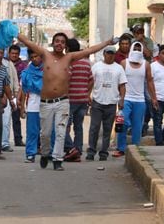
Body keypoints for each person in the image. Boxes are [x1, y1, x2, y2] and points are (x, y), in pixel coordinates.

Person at [18, 32, 115, 171]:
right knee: (45, 133)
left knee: (60, 131)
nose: (59, 44)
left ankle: (58, 159)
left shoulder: (69, 58)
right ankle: (45, 153)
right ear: (53, 43)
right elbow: (28, 42)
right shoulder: (45, 55)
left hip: (63, 101)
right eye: (57, 41)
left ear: (65, 45)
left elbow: (89, 50)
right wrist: (13, 31)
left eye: (62, 42)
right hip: (46, 102)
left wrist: (107, 42)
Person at [113, 42, 158, 157]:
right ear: (131, 49)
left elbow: (149, 82)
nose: (137, 50)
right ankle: (121, 148)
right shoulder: (124, 63)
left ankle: (136, 149)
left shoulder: (146, 65)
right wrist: (119, 97)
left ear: (142, 50)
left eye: (139, 48)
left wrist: (154, 98)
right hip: (126, 99)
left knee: (137, 126)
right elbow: (118, 82)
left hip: (140, 100)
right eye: (135, 48)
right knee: (122, 123)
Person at [86, 46, 127, 161]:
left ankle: (103, 153)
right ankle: (91, 151)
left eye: (112, 53)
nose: (110, 55)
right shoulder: (96, 66)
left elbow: (122, 85)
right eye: (108, 53)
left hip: (111, 102)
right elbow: (90, 82)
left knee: (107, 129)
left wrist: (122, 99)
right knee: (94, 128)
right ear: (104, 54)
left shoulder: (119, 68)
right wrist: (88, 95)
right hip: (97, 102)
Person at [64, 38, 93, 162]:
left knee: (63, 126)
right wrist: (87, 93)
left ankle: (71, 148)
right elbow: (91, 79)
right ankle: (78, 150)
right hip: (83, 100)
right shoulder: (86, 63)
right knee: (78, 127)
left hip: (70, 100)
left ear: (68, 49)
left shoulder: (69, 63)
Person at [20, 50, 43, 163]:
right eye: (32, 57)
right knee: (32, 131)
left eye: (36, 56)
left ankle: (49, 153)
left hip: (47, 102)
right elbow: (24, 90)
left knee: (48, 131)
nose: (35, 59)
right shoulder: (26, 72)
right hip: (33, 104)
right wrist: (22, 107)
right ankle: (30, 154)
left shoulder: (48, 70)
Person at [7, 44, 27, 147]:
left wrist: (18, 98)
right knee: (3, 120)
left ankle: (18, 139)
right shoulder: (5, 63)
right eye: (12, 53)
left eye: (16, 53)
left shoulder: (23, 66)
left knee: (16, 118)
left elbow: (22, 83)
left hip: (16, 94)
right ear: (9, 53)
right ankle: (3, 141)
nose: (14, 55)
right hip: (5, 95)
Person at [150, 44, 164, 145]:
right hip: (158, 99)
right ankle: (159, 143)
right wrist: (153, 98)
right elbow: (150, 83)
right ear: (159, 54)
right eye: (163, 53)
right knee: (157, 122)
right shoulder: (153, 66)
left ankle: (161, 137)